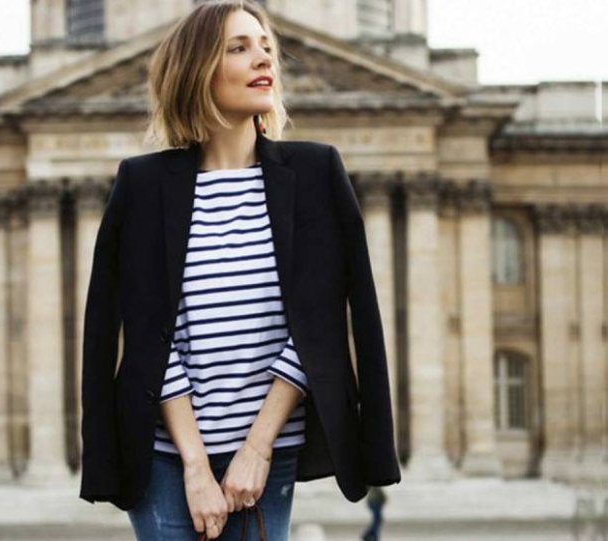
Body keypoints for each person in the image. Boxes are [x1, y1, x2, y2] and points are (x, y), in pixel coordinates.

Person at [78, 1, 401, 540]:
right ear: (197, 68)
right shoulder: (143, 184)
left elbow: (317, 325)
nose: (264, 58)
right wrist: (195, 465)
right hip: (166, 455)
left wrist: (257, 448)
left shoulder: (315, 172)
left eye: (266, 47)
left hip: (268, 452)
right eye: (239, 47)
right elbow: (151, 335)